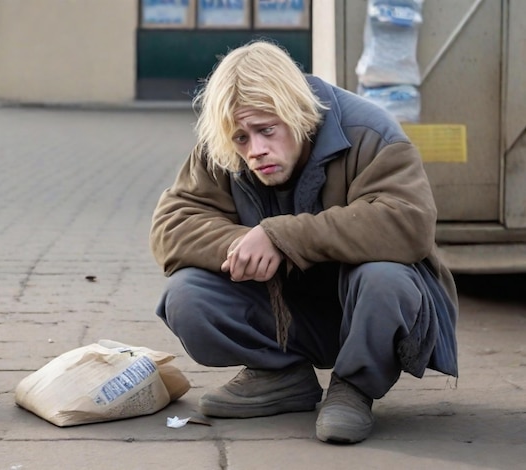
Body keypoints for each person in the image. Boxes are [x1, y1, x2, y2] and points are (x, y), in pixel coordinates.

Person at [149, 40, 458, 444]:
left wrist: (281, 237)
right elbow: (172, 223)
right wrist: (242, 242)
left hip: (368, 311)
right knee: (186, 295)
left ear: (297, 112)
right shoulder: (225, 146)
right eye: (241, 138)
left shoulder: (370, 131)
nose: (255, 150)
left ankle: (354, 387)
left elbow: (408, 222)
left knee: (385, 278)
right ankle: (280, 376)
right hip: (287, 312)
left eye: (267, 131)